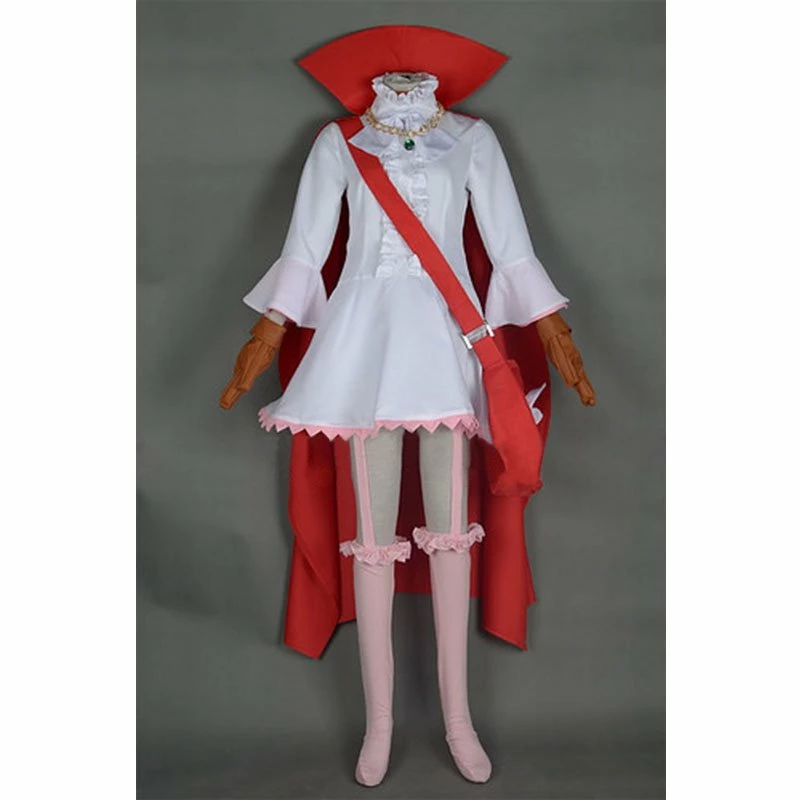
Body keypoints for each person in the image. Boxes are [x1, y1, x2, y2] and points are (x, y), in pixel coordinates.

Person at [221, 28, 594, 788]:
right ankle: (381, 724)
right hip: (363, 347)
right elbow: (306, 248)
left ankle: (459, 720)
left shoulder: (472, 140)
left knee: (453, 533)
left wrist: (554, 328)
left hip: (448, 340)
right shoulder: (339, 144)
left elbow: (510, 246)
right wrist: (267, 331)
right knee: (370, 537)